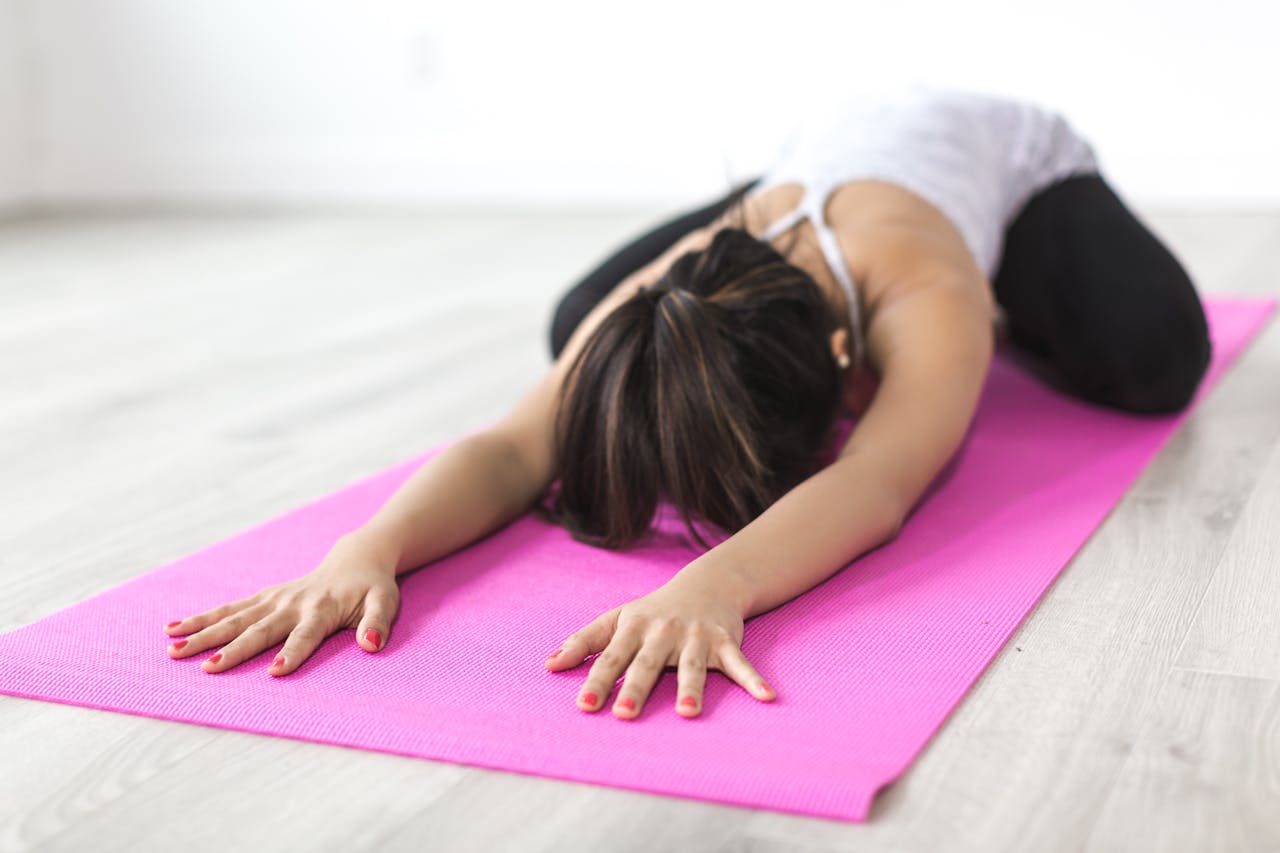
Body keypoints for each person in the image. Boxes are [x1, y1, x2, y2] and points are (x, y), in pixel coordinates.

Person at [161, 85, 1212, 721]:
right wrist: (365, 549)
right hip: (809, 169)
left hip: (1005, 167)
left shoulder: (927, 294)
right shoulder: (676, 282)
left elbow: (880, 480)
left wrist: (715, 584)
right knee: (586, 326)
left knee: (1158, 359)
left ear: (852, 368)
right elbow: (509, 447)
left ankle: (1025, 305)